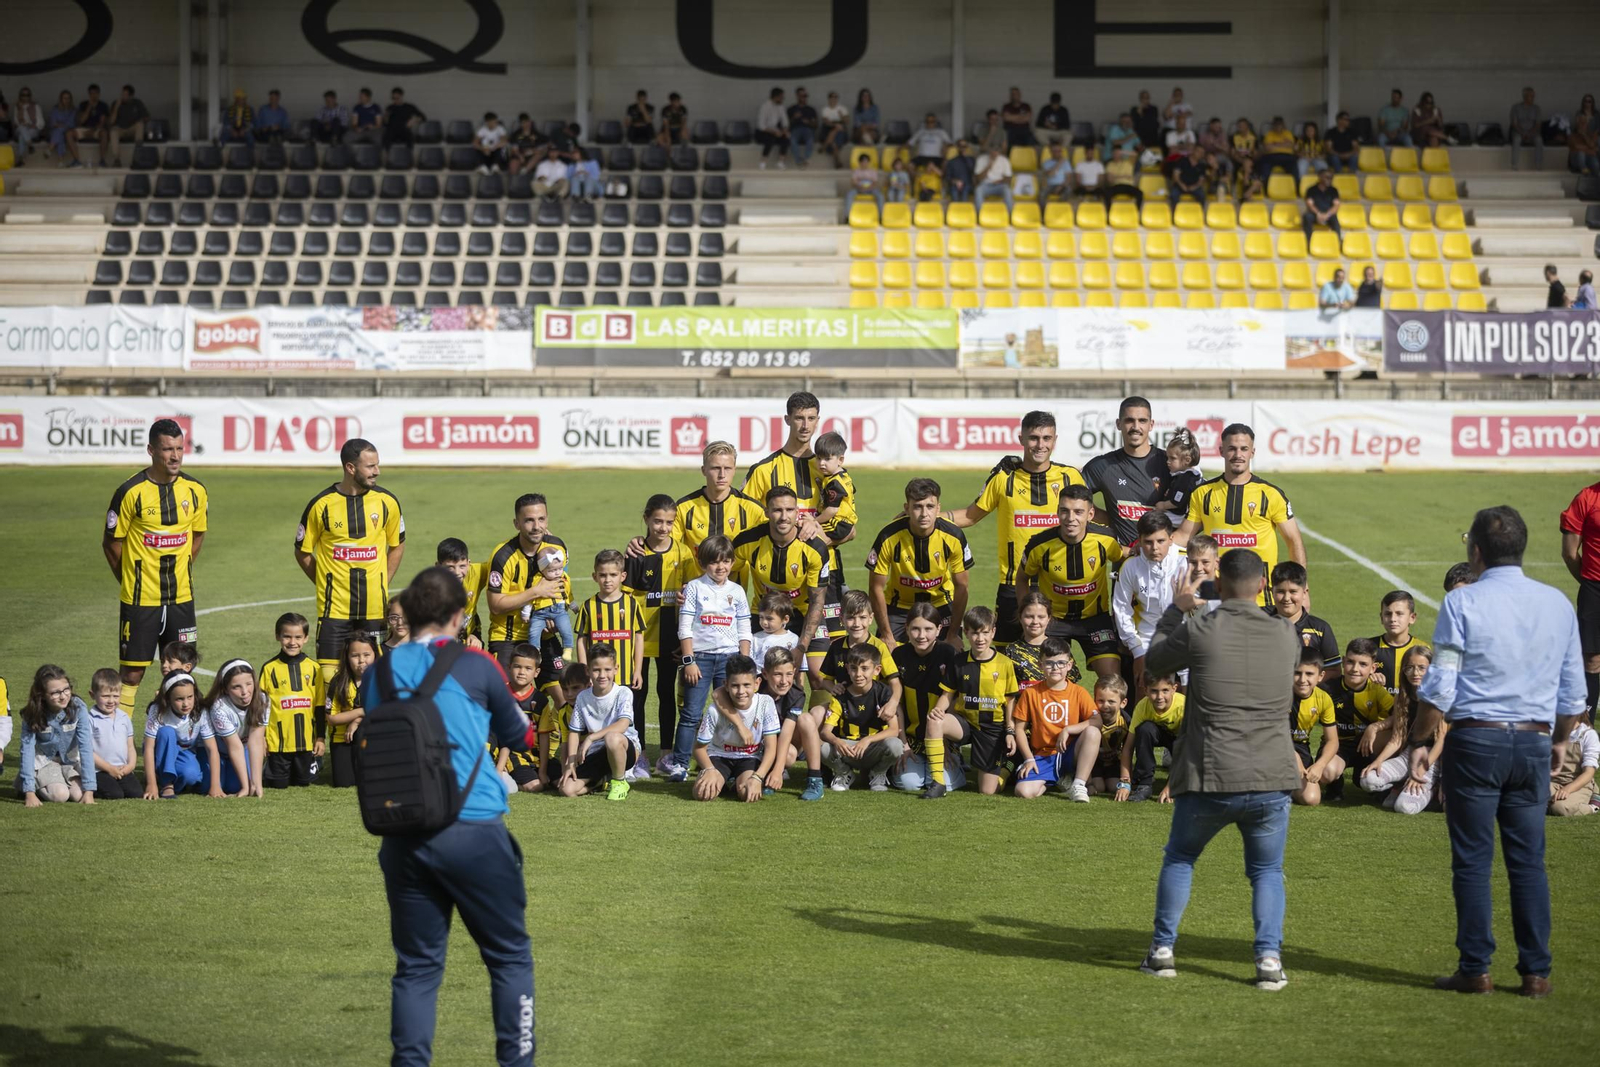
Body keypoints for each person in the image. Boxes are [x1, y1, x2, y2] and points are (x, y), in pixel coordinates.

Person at [361, 566, 537, 1066]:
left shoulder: (379, 673)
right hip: (474, 828)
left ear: (407, 613)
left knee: (416, 968)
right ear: (460, 616)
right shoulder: (478, 665)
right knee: (508, 959)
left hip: (404, 833)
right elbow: (519, 736)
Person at [1412, 506, 1584, 997]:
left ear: (1476, 551)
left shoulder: (1462, 604)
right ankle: (1536, 973)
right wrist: (1557, 740)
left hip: (1475, 741)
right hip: (1531, 742)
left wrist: (1423, 742)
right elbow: (1574, 695)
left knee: (1472, 859)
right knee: (1528, 860)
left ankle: (1476, 968)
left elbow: (1441, 684)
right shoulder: (1556, 604)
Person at [1138, 547, 1301, 991]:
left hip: (1210, 772)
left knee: (1181, 857)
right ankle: (1269, 960)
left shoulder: (1200, 629)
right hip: (1271, 774)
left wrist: (1177, 608)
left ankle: (1163, 951)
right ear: (1264, 586)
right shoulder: (1287, 634)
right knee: (1267, 871)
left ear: (1218, 585)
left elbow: (1154, 662)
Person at [940, 410, 1087, 642]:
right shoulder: (1003, 478)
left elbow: (1091, 516)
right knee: (1005, 658)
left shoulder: (1070, 477)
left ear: (1055, 440)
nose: (1040, 445)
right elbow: (970, 516)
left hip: (1057, 585)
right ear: (1021, 439)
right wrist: (931, 516)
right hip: (1012, 582)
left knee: (1052, 660)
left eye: (1046, 438)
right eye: (1033, 438)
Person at [104, 419, 209, 728]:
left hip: (181, 598)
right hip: (141, 600)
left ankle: (180, 740)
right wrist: (131, 580)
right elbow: (111, 543)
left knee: (182, 671)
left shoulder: (196, 490)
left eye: (179, 448)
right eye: (167, 449)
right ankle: (117, 739)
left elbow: (198, 535)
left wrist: (183, 570)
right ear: (151, 450)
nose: (175, 456)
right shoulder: (130, 492)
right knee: (133, 673)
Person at [296, 438, 404, 683]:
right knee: (330, 680)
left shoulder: (387, 502)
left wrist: (382, 582)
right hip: (334, 610)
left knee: (376, 678)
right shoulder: (321, 505)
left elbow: (397, 545)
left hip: (375, 608)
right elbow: (302, 551)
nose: (377, 471)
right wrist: (324, 581)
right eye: (370, 466)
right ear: (350, 468)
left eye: (377, 465)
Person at [1172, 423, 1305, 606]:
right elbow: (1184, 536)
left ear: (1252, 452)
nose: (1238, 455)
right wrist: (1148, 543)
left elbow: (1293, 541)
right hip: (1215, 597)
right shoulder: (1202, 493)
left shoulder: (1271, 494)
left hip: (1261, 598)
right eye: (1232, 449)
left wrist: (1303, 590)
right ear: (1221, 451)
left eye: (1244, 449)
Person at [1017, 485, 1125, 690]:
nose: (1070, 518)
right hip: (1054, 622)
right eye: (1064, 511)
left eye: (1078, 512)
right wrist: (1027, 614)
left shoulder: (1106, 539)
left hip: (1095, 619)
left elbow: (1125, 556)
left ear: (1090, 514)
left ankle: (1110, 722)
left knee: (1112, 682)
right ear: (1058, 512)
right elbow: (1022, 579)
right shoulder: (1039, 545)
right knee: (1046, 679)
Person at [668, 535, 753, 781]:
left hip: (729, 660)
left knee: (728, 712)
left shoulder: (736, 591)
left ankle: (723, 759)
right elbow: (684, 628)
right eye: (715, 562)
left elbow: (744, 628)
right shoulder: (694, 587)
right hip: (701, 660)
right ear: (704, 563)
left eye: (726, 561)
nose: (721, 567)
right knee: (691, 714)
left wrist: (743, 663)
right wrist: (689, 661)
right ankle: (680, 764)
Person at [624, 494, 695, 774]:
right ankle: (638, 752)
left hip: (670, 635)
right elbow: (626, 596)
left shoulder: (684, 553)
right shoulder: (635, 553)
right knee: (636, 695)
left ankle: (666, 752)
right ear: (646, 519)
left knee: (666, 692)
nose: (663, 528)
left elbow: (691, 592)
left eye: (668, 522)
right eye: (657, 521)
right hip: (639, 636)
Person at [866, 478, 972, 646]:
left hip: (941, 604)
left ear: (938, 508)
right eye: (917, 506)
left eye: (930, 507)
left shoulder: (954, 536)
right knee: (889, 658)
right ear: (907, 508)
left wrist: (952, 634)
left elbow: (962, 586)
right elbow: (875, 587)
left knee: (949, 657)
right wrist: (886, 635)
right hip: (898, 607)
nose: (924, 514)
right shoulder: (888, 537)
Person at [891, 603, 967, 798]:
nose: (921, 635)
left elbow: (954, 700)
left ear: (939, 629)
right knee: (909, 784)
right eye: (915, 629)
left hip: (942, 736)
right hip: (912, 739)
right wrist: (904, 744)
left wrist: (945, 744)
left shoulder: (948, 654)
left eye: (928, 629)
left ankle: (954, 759)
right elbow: (896, 703)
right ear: (906, 628)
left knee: (945, 782)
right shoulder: (899, 655)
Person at [484, 494, 568, 667]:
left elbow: (562, 587)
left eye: (541, 519)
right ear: (517, 524)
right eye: (529, 520)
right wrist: (536, 592)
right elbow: (495, 605)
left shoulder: (557, 547)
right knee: (506, 693)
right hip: (508, 638)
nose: (537, 527)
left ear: (547, 520)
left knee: (569, 688)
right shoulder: (503, 556)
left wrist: (553, 615)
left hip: (544, 634)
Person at [1358, 646, 1443, 814]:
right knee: (1368, 780)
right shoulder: (1402, 697)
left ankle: (1433, 787)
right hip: (1408, 755)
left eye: (1421, 668)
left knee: (1404, 807)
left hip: (1432, 761)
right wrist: (1378, 761)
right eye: (1409, 667)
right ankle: (1400, 783)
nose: (1415, 673)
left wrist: (1419, 772)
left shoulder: (1439, 697)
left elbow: (1441, 741)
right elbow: (1397, 738)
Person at [1011, 639, 1099, 801]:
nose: (1055, 668)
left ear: (1069, 665)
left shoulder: (1078, 692)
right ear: (1040, 665)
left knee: (1093, 732)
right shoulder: (1031, 693)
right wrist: (1029, 759)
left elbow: (1097, 721)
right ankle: (1057, 779)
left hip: (1069, 753)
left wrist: (1068, 729)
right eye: (1049, 663)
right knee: (1023, 792)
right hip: (1043, 755)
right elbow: (1019, 729)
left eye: (1061, 663)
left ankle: (1078, 784)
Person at [1113, 512, 1190, 693]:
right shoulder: (1131, 566)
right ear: (1139, 540)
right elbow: (1122, 610)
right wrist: (1137, 651)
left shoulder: (1187, 562)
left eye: (1161, 541)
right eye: (1148, 542)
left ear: (1171, 539)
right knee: (1145, 688)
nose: (1155, 548)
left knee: (1187, 698)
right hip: (1148, 637)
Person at [1081, 396, 1169, 546]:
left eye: (1142, 421)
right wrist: (1111, 520)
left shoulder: (1168, 464)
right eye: (1129, 420)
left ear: (1151, 424)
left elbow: (1194, 509)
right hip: (1124, 562)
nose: (1136, 427)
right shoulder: (1102, 466)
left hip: (1165, 562)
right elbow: (1073, 501)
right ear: (1118, 424)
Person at [816, 644, 904, 792]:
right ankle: (844, 773)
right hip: (848, 748)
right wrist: (837, 741)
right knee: (823, 749)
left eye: (865, 668)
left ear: (877, 670)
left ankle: (878, 773)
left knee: (895, 745)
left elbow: (894, 730)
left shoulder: (883, 693)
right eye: (854, 668)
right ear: (847, 669)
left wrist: (867, 740)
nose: (858, 674)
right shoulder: (840, 695)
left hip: (872, 747)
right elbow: (825, 732)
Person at [692, 654, 780, 802]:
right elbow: (698, 748)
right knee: (702, 794)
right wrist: (709, 769)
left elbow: (771, 748)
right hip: (719, 756)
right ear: (726, 684)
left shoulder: (766, 703)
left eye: (746, 685)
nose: (741, 691)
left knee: (748, 793)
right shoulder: (714, 710)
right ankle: (721, 780)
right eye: (735, 686)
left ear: (757, 683)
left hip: (750, 757)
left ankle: (733, 783)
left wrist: (758, 777)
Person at [954, 606, 1021, 796]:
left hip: (992, 727)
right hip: (965, 723)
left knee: (987, 791)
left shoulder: (1005, 663)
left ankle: (1007, 766)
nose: (980, 639)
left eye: (985, 633)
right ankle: (951, 758)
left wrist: (1009, 730)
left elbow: (1009, 701)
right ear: (966, 632)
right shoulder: (958, 661)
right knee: (937, 722)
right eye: (975, 633)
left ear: (993, 632)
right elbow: (948, 696)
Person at [560, 644, 640, 800]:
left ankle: (619, 781)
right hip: (597, 753)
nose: (602, 675)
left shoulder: (623, 693)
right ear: (589, 671)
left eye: (607, 670)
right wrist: (570, 763)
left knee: (612, 737)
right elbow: (574, 732)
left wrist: (591, 737)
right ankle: (603, 780)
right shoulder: (583, 697)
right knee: (566, 790)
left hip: (624, 749)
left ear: (616, 669)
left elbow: (623, 724)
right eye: (596, 670)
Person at [1319, 638, 1395, 795]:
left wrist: (1375, 727)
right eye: (1350, 662)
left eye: (1363, 664)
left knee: (1391, 733)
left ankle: (1365, 776)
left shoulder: (1378, 690)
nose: (1355, 669)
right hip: (1338, 746)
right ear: (1343, 661)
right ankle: (1335, 782)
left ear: (1373, 668)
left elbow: (1399, 717)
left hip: (1367, 745)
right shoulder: (1327, 689)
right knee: (1326, 772)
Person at [260, 612, 326, 788]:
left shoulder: (314, 668)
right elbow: (261, 707)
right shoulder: (269, 669)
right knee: (278, 784)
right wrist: (263, 738)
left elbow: (319, 706)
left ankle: (314, 763)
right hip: (278, 742)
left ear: (306, 638)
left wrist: (320, 737)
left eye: (298, 637)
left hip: (306, 742)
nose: (292, 642)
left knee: (303, 783)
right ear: (278, 637)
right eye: (286, 636)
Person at [574, 550, 646, 711]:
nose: (608, 580)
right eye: (602, 575)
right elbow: (581, 640)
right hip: (598, 677)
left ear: (623, 576)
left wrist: (638, 670)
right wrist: (585, 671)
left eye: (613, 575)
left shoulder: (632, 604)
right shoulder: (588, 606)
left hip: (626, 675)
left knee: (629, 719)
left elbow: (639, 637)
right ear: (595, 577)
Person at [17, 665, 96, 805]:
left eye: (66, 689)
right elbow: (27, 751)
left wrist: (89, 790)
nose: (63, 696)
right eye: (55, 693)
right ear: (42, 695)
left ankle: (57, 779)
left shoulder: (78, 707)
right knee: (60, 795)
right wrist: (29, 792)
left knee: (79, 795)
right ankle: (27, 782)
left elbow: (86, 747)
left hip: (69, 761)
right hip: (44, 762)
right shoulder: (32, 713)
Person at [141, 671, 220, 799]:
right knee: (167, 732)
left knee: (191, 775)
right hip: (160, 751)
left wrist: (215, 785)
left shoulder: (201, 711)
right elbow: (149, 748)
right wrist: (151, 784)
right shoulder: (158, 710)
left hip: (184, 752)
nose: (186, 704)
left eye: (190, 697)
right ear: (167, 698)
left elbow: (212, 749)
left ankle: (165, 779)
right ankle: (166, 783)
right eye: (179, 699)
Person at [1560, 477, 1600, 718]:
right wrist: (1589, 583)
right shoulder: (1586, 498)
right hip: (1594, 589)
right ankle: (1586, 727)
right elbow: (1569, 552)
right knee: (1592, 660)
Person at [1116, 671, 1184, 802]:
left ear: (1174, 689)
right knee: (1145, 729)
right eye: (1154, 691)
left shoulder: (1184, 707)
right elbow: (1128, 747)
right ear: (1145, 690)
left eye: (1165, 690)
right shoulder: (1142, 707)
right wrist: (1125, 782)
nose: (1159, 696)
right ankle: (1144, 784)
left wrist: (1171, 786)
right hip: (1164, 736)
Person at [203, 658, 266, 797]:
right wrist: (245, 787)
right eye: (236, 687)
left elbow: (256, 741)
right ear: (225, 689)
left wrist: (256, 785)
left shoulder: (262, 699)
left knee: (234, 785)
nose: (245, 692)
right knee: (208, 785)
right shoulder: (219, 707)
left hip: (242, 750)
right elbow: (234, 746)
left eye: (249, 684)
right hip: (217, 753)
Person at [1288, 648, 1341, 806]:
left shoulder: (1323, 699)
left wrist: (1320, 765)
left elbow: (1333, 741)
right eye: (1297, 673)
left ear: (1320, 676)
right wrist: (1292, 756)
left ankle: (1286, 787)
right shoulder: (1279, 694)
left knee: (1311, 799)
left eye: (1309, 674)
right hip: (1273, 746)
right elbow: (1266, 733)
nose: (1302, 679)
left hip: (1300, 747)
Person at [1268, 562, 1339, 679]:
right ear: (1272, 592)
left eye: (1293, 591)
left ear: (1304, 593)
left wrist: (1304, 685)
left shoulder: (1320, 629)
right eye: (1280, 592)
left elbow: (1333, 670)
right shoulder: (1260, 625)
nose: (1286, 598)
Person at [325, 634, 378, 788]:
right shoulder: (338, 681)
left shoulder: (381, 678)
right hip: (342, 739)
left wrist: (357, 721)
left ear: (375, 654)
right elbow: (332, 718)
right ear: (347, 657)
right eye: (355, 655)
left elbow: (385, 710)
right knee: (343, 782)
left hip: (373, 736)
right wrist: (361, 712)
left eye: (367, 655)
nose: (361, 660)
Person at [87, 668, 141, 800]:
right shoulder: (90, 719)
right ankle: (91, 787)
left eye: (115, 696)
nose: (111, 701)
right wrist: (108, 768)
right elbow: (87, 750)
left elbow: (130, 746)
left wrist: (130, 766)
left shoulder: (124, 718)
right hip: (100, 770)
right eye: (105, 696)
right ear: (93, 695)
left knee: (136, 793)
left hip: (122, 769)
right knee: (115, 794)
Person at [1370, 590, 1427, 692]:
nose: (1393, 619)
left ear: (1412, 618)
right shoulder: (1369, 647)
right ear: (1381, 618)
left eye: (1399, 614)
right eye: (1388, 614)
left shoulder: (1422, 649)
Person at [1150, 428, 1204, 529]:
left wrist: (1163, 505)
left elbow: (1177, 502)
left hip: (1179, 518)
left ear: (1187, 460)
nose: (1168, 462)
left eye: (1172, 458)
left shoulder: (1186, 479)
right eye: (1167, 458)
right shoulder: (1192, 473)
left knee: (1152, 521)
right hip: (1182, 516)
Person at [1548, 712, 1597, 816]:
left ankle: (1594, 806)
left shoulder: (1588, 735)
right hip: (1551, 782)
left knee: (1560, 808)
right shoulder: (1550, 732)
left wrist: (1567, 789)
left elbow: (1589, 772)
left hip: (1578, 784)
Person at [103, 84, 149, 166]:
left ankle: (139, 152)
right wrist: (116, 107)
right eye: (122, 94)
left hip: (132, 129)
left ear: (131, 96)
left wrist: (140, 120)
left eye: (125, 95)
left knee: (140, 124)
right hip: (120, 129)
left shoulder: (137, 103)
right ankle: (117, 159)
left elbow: (146, 117)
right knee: (113, 131)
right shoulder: (116, 103)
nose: (122, 96)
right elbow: (111, 122)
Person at [1302, 168, 1341, 245]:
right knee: (1307, 217)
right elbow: (1309, 204)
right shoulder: (1311, 189)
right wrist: (1318, 214)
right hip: (1315, 214)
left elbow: (1336, 205)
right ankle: (1308, 242)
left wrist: (1327, 214)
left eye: (1331, 177)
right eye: (1327, 177)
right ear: (1320, 177)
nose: (1329, 179)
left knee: (1335, 220)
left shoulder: (1333, 190)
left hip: (1328, 214)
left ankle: (1337, 243)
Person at [72, 84, 110, 163]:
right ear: (89, 94)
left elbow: (102, 122)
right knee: (69, 133)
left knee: (104, 133)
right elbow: (81, 120)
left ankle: (102, 160)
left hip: (96, 130)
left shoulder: (103, 105)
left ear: (99, 94)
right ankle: (76, 160)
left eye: (95, 93)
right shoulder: (83, 104)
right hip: (84, 130)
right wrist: (89, 107)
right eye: (91, 93)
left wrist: (93, 130)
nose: (94, 95)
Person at [754, 86, 789, 170]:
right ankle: (762, 163)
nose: (783, 99)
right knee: (770, 138)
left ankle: (780, 162)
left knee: (786, 139)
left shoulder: (781, 107)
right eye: (781, 97)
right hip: (763, 132)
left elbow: (785, 121)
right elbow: (761, 125)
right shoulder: (765, 106)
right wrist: (774, 132)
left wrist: (785, 131)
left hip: (775, 130)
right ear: (776, 97)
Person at [1257, 117, 1297, 186]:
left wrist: (1274, 144)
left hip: (1287, 156)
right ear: (1273, 125)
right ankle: (1266, 186)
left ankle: (1294, 186)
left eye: (1280, 125)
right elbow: (1267, 148)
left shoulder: (1288, 133)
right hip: (1271, 156)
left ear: (1283, 125)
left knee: (1294, 166)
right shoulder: (1269, 134)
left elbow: (1292, 145)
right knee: (1264, 164)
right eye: (1276, 125)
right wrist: (1284, 145)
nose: (1278, 127)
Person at [974, 146, 1014, 212]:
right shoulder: (981, 159)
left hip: (1000, 185)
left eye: (996, 150)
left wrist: (1000, 181)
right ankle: (979, 215)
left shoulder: (1004, 160)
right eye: (992, 150)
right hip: (985, 185)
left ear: (999, 152)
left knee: (1007, 190)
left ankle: (1010, 215)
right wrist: (989, 166)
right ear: (989, 150)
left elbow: (1008, 179)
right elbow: (978, 179)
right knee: (978, 190)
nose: (994, 152)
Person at [1509, 88, 1542, 170]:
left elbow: (1538, 124)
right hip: (1519, 132)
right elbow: (1514, 123)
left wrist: (1530, 133)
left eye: (1533, 96)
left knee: (1539, 140)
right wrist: (1523, 133)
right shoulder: (1516, 108)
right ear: (1525, 97)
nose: (1533, 98)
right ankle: (1514, 165)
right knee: (1516, 139)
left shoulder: (1536, 108)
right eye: (1531, 96)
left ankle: (1538, 165)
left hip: (1532, 132)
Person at [1168, 144, 1207, 210]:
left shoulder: (1202, 165)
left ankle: (1201, 214)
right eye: (1198, 151)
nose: (1200, 154)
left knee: (1202, 195)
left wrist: (1194, 187)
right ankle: (1174, 214)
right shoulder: (1182, 160)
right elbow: (1175, 175)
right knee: (1174, 195)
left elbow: (1201, 180)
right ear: (1193, 151)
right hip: (1180, 185)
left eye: (1202, 153)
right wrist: (1182, 185)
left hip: (1194, 186)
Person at [787, 88, 818, 168]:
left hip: (807, 129)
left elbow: (815, 125)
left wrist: (809, 122)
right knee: (792, 139)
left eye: (805, 96)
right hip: (795, 129)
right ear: (797, 96)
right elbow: (786, 124)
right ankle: (798, 161)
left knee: (810, 139)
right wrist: (794, 117)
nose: (804, 98)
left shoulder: (811, 109)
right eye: (801, 96)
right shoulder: (791, 109)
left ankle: (806, 159)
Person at [13, 87, 44, 165]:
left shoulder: (35, 106)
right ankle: (30, 145)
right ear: (20, 96)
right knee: (22, 128)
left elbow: (41, 123)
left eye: (27, 95)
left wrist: (30, 125)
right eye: (23, 95)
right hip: (20, 129)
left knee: (22, 136)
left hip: (32, 130)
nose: (25, 97)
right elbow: (16, 122)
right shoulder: (17, 107)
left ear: (30, 96)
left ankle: (20, 159)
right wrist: (21, 109)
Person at [818, 91, 850, 167]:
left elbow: (847, 121)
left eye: (836, 97)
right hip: (828, 128)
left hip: (841, 128)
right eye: (832, 97)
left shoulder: (842, 108)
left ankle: (824, 146)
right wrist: (836, 125)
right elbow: (826, 122)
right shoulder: (825, 109)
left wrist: (841, 116)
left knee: (837, 131)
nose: (834, 99)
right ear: (829, 99)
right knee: (834, 143)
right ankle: (837, 161)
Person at [1199, 117, 1233, 183]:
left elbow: (1226, 149)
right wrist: (1207, 156)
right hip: (1206, 156)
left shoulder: (1222, 134)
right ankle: (1212, 179)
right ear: (1211, 126)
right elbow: (1200, 148)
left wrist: (1215, 144)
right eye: (1216, 126)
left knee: (1228, 162)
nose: (1219, 128)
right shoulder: (1204, 135)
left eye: (1219, 126)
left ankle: (1228, 177)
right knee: (1210, 160)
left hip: (1219, 155)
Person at [1569, 112, 1600, 177]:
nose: (1583, 125)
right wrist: (1590, 150)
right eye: (1581, 122)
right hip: (1576, 160)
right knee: (1581, 154)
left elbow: (1594, 147)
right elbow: (1577, 147)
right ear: (1577, 124)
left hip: (1588, 158)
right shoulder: (1572, 135)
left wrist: (1584, 135)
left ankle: (1595, 178)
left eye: (1585, 123)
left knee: (1595, 163)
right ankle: (1584, 170)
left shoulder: (1590, 135)